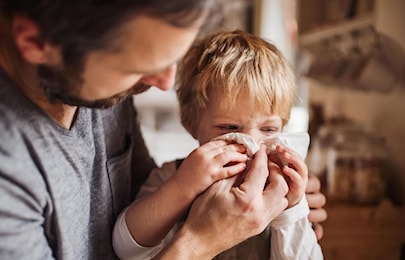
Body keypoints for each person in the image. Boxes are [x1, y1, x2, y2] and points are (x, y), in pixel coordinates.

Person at [0, 1, 326, 259]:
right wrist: (200, 241)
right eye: (137, 66)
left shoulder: (101, 89)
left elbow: (137, 197)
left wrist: (290, 211)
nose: (165, 83)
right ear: (36, 43)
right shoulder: (10, 176)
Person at [113, 29, 324, 260]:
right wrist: (183, 186)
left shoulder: (279, 186)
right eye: (230, 128)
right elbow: (126, 249)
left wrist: (291, 211)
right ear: (192, 124)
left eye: (269, 130)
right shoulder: (173, 176)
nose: (252, 144)